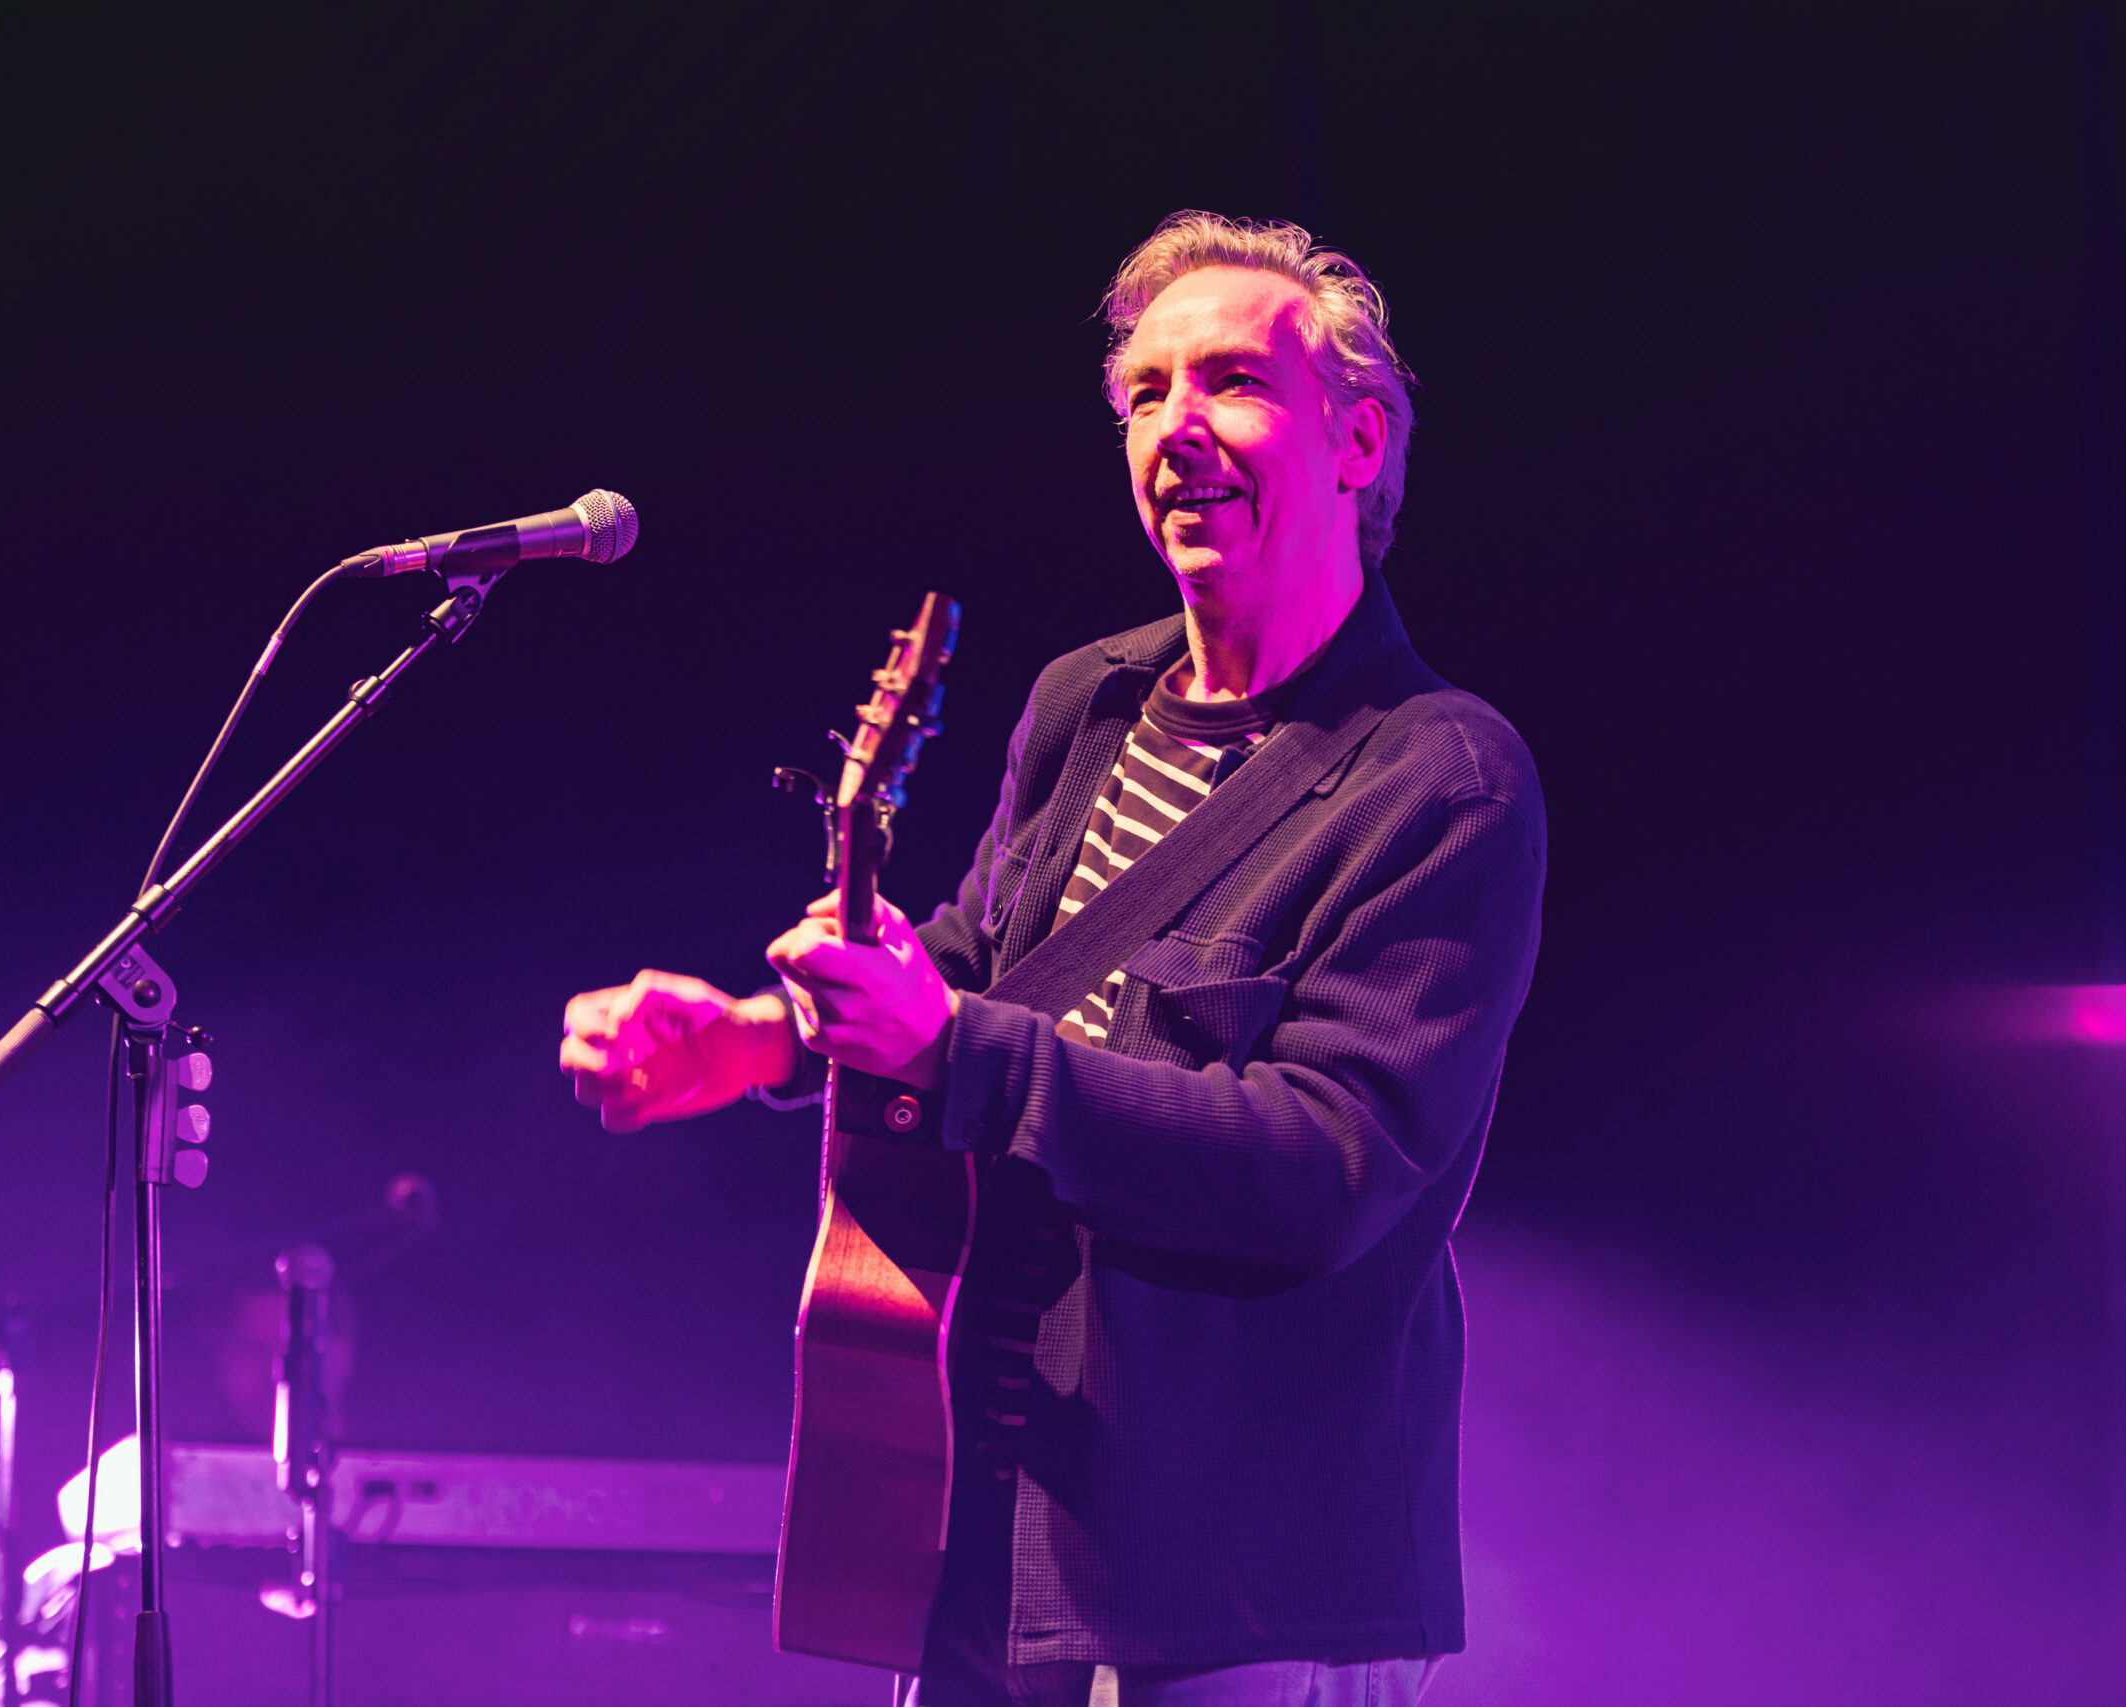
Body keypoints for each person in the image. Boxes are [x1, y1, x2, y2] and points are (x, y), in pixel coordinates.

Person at [561, 211, 1544, 1707]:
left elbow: (1326, 1161)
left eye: (1230, 383)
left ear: (1356, 445)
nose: (1176, 428)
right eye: (1145, 395)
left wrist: (955, 1052)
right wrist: (758, 1036)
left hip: (1227, 1578)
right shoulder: (1088, 702)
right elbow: (978, 963)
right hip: (983, 1510)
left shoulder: (1437, 777)